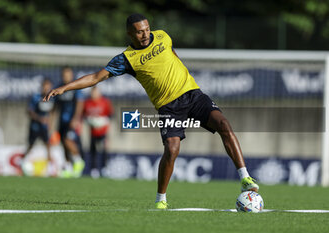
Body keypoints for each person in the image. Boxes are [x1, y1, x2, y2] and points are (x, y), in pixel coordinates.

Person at [44, 14, 259, 209]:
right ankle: (161, 199)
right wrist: (64, 87)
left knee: (223, 123)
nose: (145, 33)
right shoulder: (126, 59)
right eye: (139, 31)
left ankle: (245, 178)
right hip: (169, 107)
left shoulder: (163, 36)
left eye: (147, 28)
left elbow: (173, 56)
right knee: (172, 149)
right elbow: (95, 77)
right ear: (130, 33)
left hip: (193, 95)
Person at [55, 66, 85, 177]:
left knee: (68, 140)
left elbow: (80, 103)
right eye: (64, 74)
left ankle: (78, 161)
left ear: (71, 75)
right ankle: (67, 166)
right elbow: (55, 106)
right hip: (62, 121)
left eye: (68, 74)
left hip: (71, 120)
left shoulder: (75, 87)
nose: (66, 76)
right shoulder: (59, 87)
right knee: (63, 143)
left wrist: (76, 118)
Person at [21, 78, 54, 175]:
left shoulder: (52, 98)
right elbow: (30, 111)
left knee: (47, 144)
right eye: (45, 86)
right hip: (35, 126)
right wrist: (40, 119)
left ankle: (50, 166)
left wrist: (50, 123)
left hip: (44, 127)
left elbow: (52, 112)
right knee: (31, 144)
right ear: (42, 87)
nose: (46, 88)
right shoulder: (36, 97)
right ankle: (23, 162)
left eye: (48, 86)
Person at [83, 86, 113, 177]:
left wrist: (103, 121)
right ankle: (94, 169)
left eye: (95, 92)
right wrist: (90, 120)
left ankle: (104, 168)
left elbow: (111, 115)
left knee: (104, 149)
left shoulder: (105, 102)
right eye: (92, 92)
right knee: (93, 150)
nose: (94, 94)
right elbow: (84, 115)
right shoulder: (87, 103)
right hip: (92, 131)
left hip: (103, 131)